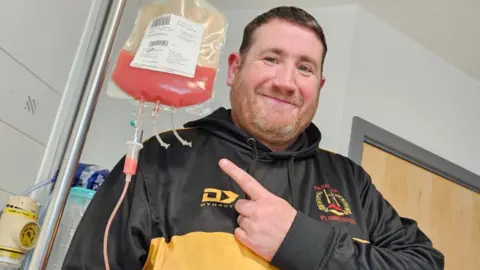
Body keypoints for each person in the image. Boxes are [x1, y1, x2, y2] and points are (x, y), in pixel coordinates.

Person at [63, 6, 444, 270]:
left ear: (319, 86)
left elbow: (424, 263)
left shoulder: (349, 180)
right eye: (271, 58)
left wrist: (302, 243)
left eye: (305, 68)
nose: (286, 82)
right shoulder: (161, 158)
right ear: (234, 68)